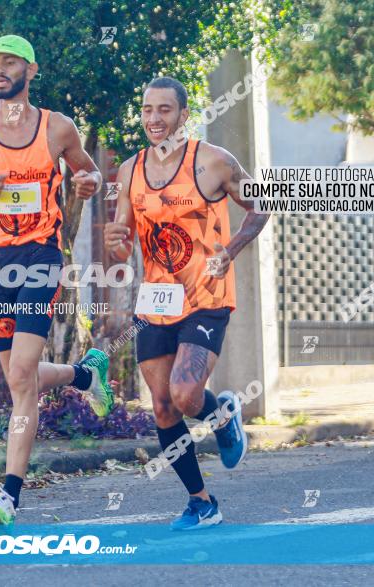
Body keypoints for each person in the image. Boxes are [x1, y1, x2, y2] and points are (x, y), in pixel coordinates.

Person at [0, 34, 114, 525]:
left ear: (31, 70)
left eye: (9, 61)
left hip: (40, 255)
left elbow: (89, 174)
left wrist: (88, 183)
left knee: (19, 378)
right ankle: (83, 374)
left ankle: (8, 497)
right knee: (23, 376)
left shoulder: (58, 128)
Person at [104, 76, 270, 530]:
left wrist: (230, 251)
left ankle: (221, 413)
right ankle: (202, 502)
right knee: (162, 407)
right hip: (156, 299)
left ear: (182, 115)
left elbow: (261, 204)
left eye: (164, 110)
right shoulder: (130, 171)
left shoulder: (213, 161)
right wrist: (114, 240)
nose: (154, 120)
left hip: (206, 295)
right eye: (147, 110)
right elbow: (123, 246)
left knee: (184, 393)